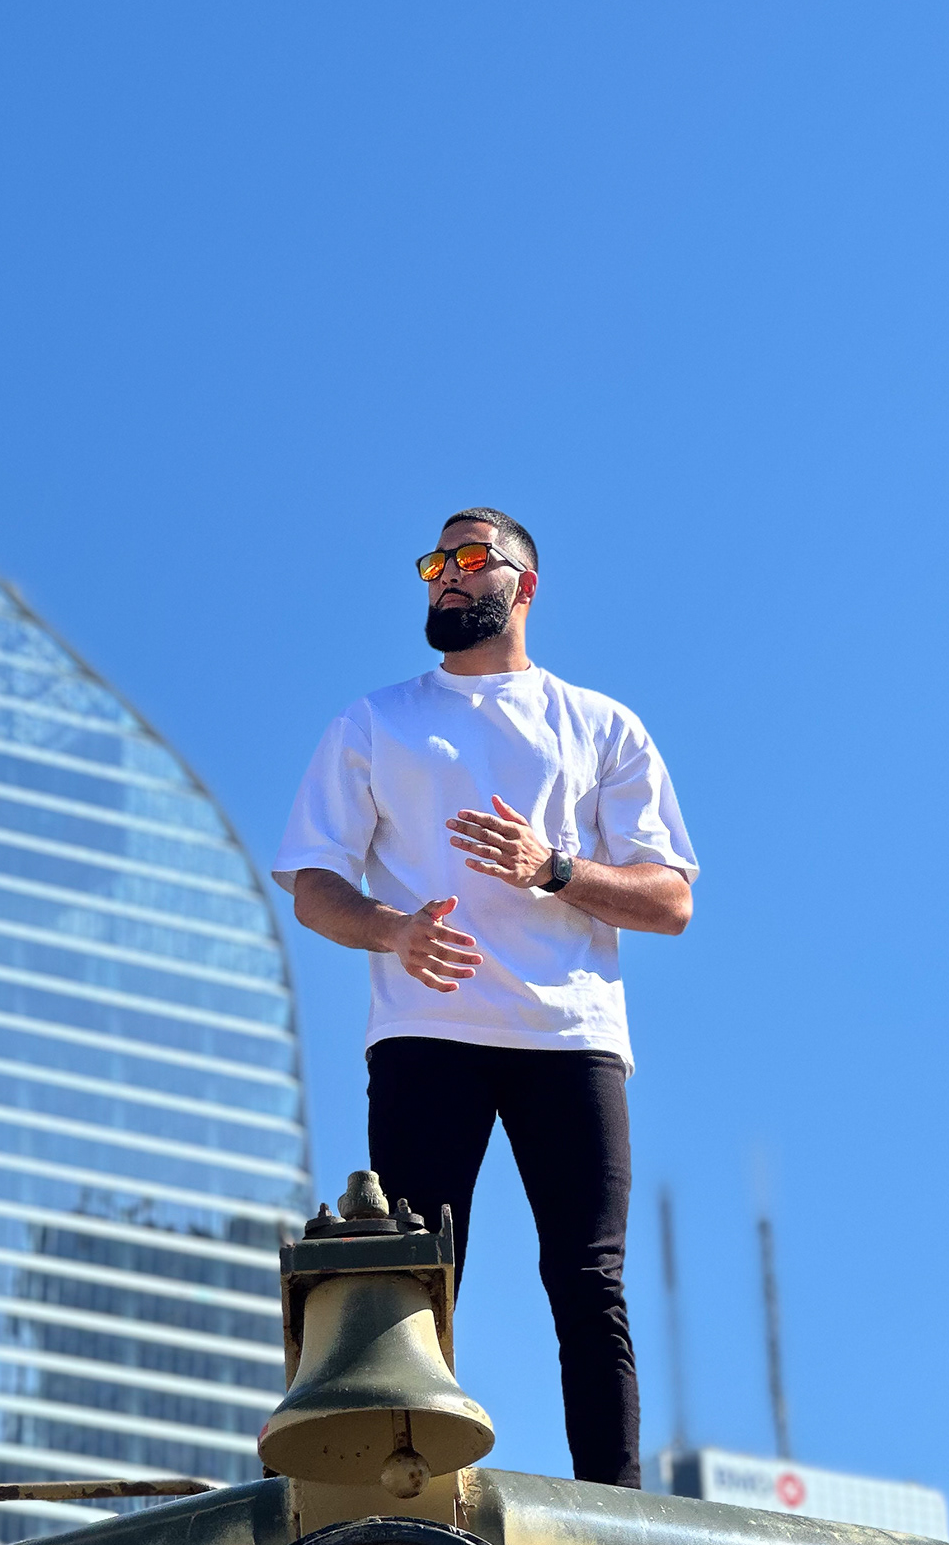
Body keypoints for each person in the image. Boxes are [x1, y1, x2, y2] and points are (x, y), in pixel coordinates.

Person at [272, 509, 697, 1488]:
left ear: (526, 585)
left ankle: (614, 1504)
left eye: (469, 560)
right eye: (434, 564)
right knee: (413, 1283)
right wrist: (394, 932)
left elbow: (671, 898)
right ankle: (412, 1497)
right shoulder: (376, 723)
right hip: (427, 1034)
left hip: (569, 1036)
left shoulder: (600, 725)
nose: (446, 579)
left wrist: (554, 867)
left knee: (589, 1282)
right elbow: (312, 886)